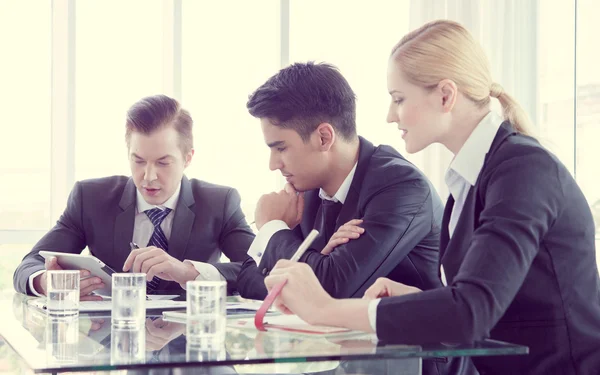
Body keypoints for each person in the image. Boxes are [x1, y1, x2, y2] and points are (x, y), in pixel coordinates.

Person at [262, 20, 600, 375]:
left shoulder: (522, 170)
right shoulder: (471, 179)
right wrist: (415, 300)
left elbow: (471, 311)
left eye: (399, 99)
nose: (390, 115)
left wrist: (323, 309)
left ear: (445, 96)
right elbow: (483, 299)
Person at [236, 62, 444, 302]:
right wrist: (317, 264)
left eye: (281, 148)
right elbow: (248, 280)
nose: (273, 164)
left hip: (408, 337)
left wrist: (272, 227)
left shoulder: (401, 188)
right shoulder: (305, 191)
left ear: (324, 138)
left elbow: (333, 289)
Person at [14, 94, 254, 298]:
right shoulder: (90, 199)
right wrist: (45, 282)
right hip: (112, 343)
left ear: (188, 158)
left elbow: (259, 272)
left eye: (163, 162)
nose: (148, 176)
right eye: (138, 161)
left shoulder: (219, 203)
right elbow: (28, 266)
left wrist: (189, 273)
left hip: (192, 343)